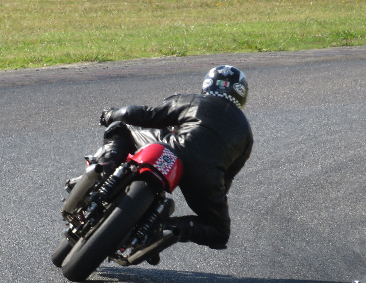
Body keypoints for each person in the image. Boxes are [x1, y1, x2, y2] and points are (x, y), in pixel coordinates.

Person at [93, 65, 253, 257]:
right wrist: (210, 197)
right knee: (219, 232)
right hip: (206, 176)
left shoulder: (194, 100)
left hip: (172, 150)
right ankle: (159, 229)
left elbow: (147, 115)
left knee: (121, 127)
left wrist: (111, 114)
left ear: (208, 85)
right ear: (241, 94)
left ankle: (104, 171)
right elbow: (227, 178)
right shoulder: (246, 134)